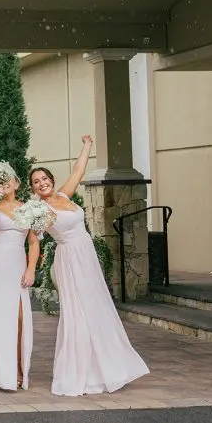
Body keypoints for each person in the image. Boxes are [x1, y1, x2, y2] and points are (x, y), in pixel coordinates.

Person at [30, 135, 149, 396]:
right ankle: (80, 371)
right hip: (70, 259)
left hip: (87, 256)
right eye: (36, 182)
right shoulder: (39, 210)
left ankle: (109, 366)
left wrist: (87, 147)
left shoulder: (63, 194)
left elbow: (78, 171)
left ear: (51, 179)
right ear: (33, 188)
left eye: (44, 179)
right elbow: (33, 239)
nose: (42, 183)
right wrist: (29, 266)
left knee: (96, 306)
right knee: (78, 312)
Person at [0, 168, 38, 391]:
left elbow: (33, 242)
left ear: (17, 183)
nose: (5, 183)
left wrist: (31, 269)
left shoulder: (27, 209)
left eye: (8, 179)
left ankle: (18, 369)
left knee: (19, 317)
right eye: (0, 181)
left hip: (16, 265)